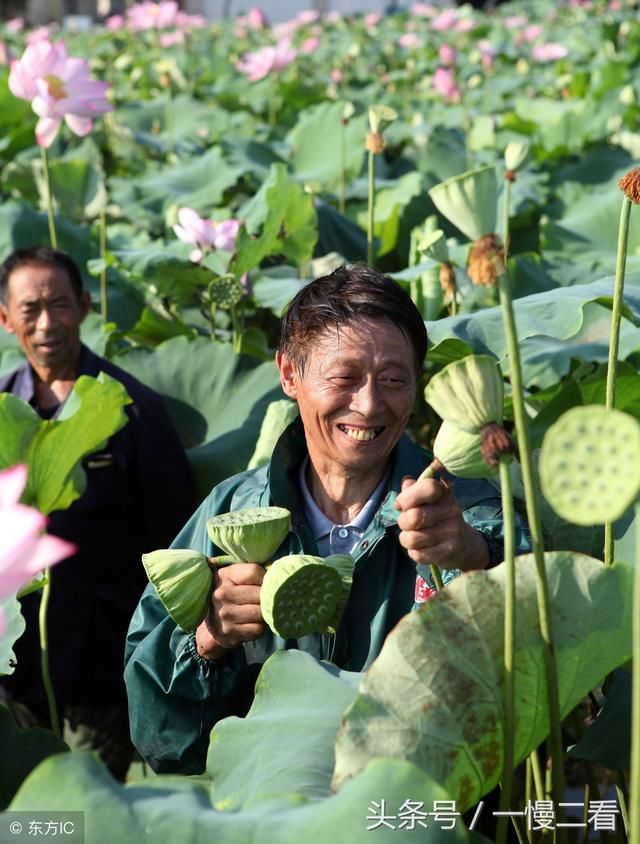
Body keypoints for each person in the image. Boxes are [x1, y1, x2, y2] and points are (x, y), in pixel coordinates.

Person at [124, 264, 530, 775]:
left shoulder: (467, 508)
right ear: (289, 375)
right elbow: (161, 741)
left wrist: (472, 557)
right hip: (269, 808)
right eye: (344, 377)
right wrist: (208, 642)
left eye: (393, 380)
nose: (369, 404)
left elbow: (546, 658)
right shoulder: (227, 513)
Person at [0, 245, 196, 780]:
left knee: (85, 802)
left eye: (59, 305)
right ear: (5, 318)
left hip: (101, 651)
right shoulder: (1, 407)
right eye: (29, 310)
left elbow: (176, 535)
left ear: (85, 306)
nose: (46, 323)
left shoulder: (132, 408)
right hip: (14, 652)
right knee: (21, 795)